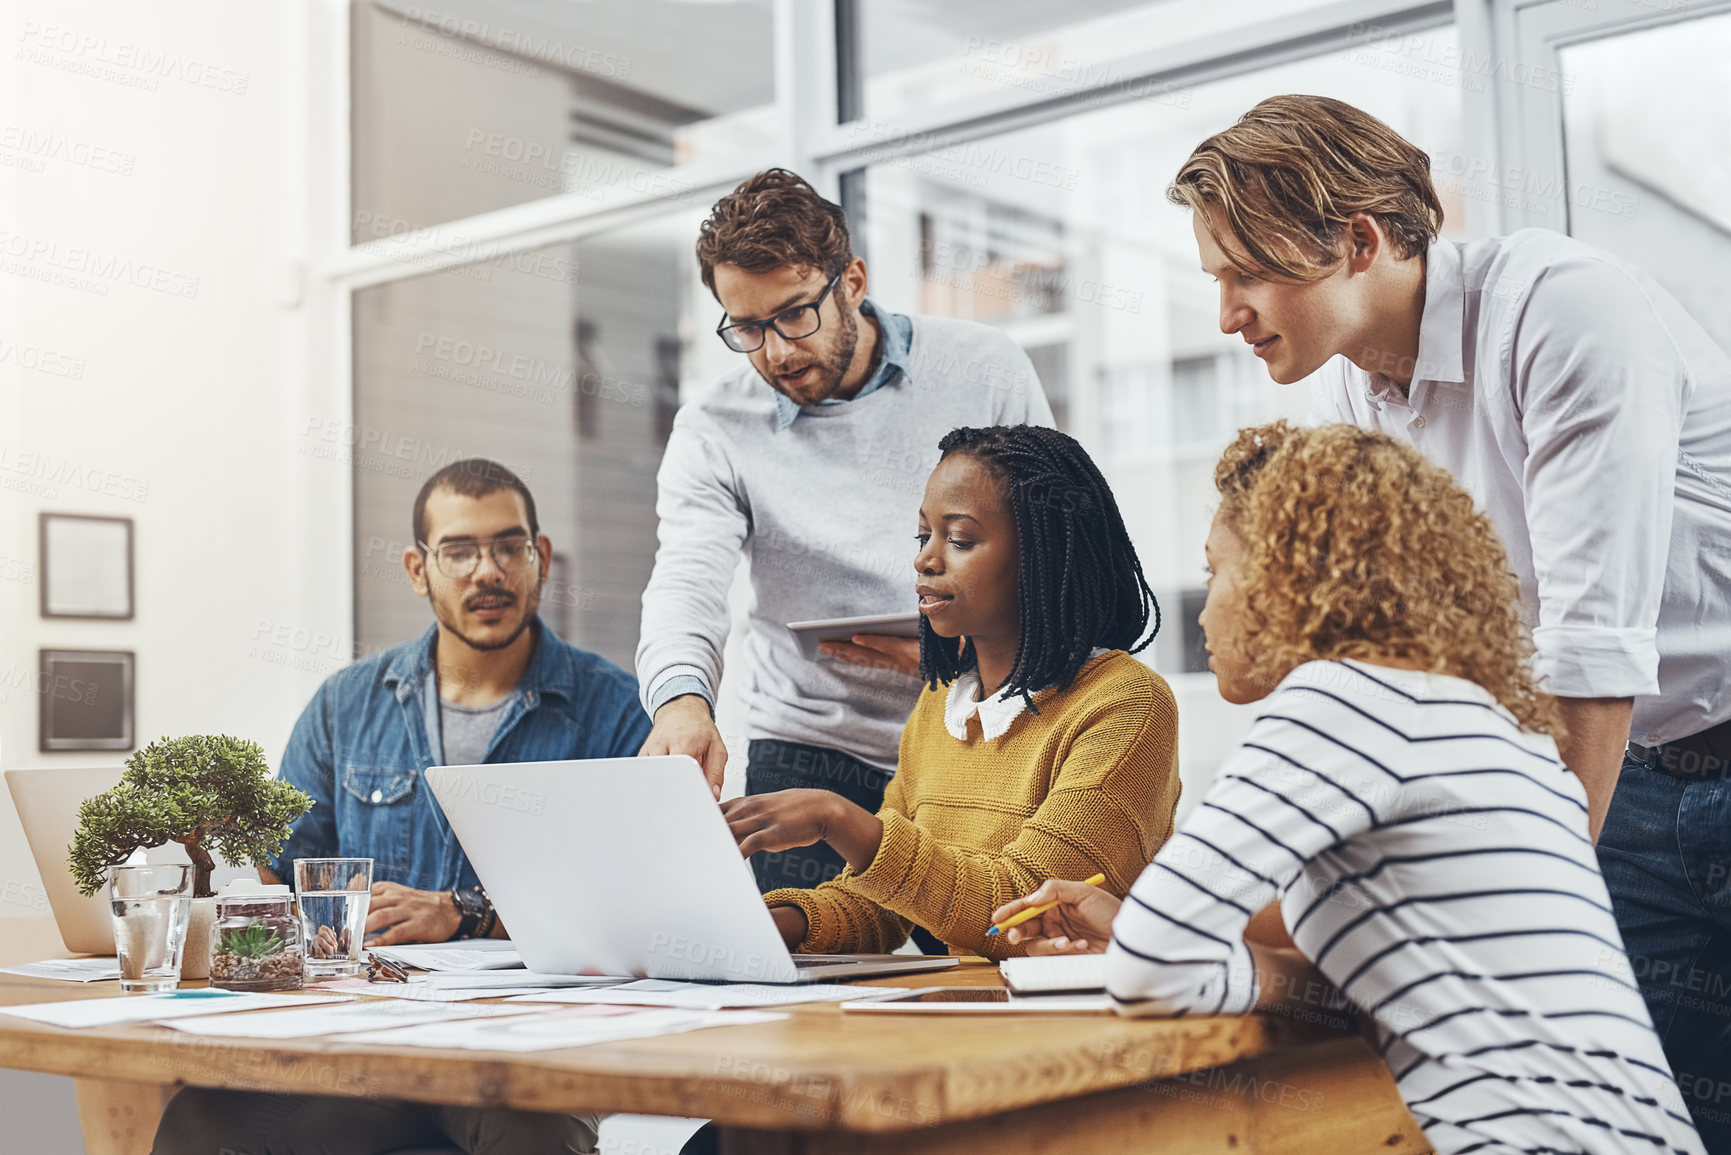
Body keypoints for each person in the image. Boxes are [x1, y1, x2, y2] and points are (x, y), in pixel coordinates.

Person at [1166, 95, 1731, 1143]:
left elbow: (1587, 641)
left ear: (1360, 241)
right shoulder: (1352, 403)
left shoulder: (1564, 310)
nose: (1227, 314)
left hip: (1644, 733)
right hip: (1638, 772)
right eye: (1217, 280)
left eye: (1246, 272)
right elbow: (1432, 667)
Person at [994, 422, 1704, 1155]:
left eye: (1215, 573)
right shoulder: (1483, 718)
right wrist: (1142, 927)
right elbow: (1396, 990)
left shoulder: (1341, 698)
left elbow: (1151, 969)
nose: (1203, 611)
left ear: (1283, 574)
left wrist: (1148, 941)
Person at [153, 458, 652, 1155]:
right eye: (459, 550)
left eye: (509, 546)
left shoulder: (617, 711)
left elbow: (640, 907)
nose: (488, 571)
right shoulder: (345, 705)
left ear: (539, 558)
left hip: (531, 1054)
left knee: (534, 1134)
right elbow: (278, 874)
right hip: (368, 1044)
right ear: (419, 569)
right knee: (198, 1119)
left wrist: (464, 910)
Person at [637, 169, 1055, 898]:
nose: (775, 353)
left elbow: (1055, 554)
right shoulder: (713, 428)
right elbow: (686, 578)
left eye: (794, 314)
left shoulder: (983, 370)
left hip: (974, 732)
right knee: (798, 966)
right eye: (747, 328)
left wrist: (963, 656)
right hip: (808, 742)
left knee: (977, 962)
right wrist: (680, 700)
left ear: (852, 281)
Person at [721, 425, 1181, 957]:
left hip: (1069, 1021)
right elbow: (883, 904)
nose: (925, 560)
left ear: (1043, 556)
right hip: (967, 1015)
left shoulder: (1125, 706)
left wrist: (839, 818)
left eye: (959, 540)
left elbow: (1025, 912)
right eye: (924, 537)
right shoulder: (942, 706)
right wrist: (756, 925)